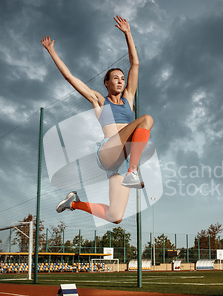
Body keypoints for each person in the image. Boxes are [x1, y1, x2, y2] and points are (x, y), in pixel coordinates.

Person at [42, 16, 153, 224]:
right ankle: (133, 172)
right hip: (108, 151)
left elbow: (135, 64)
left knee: (116, 216)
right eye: (116, 78)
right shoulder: (99, 101)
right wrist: (52, 51)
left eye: (122, 78)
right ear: (106, 83)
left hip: (120, 163)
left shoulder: (128, 98)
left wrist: (128, 33)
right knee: (146, 119)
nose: (120, 81)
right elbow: (70, 78)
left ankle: (74, 202)